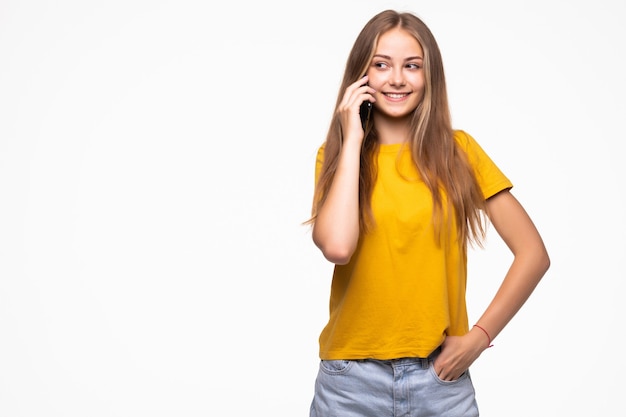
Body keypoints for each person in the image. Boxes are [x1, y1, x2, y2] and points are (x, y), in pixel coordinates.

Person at [306, 9, 550, 417]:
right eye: (381, 64)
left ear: (429, 75)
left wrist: (477, 339)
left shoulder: (458, 152)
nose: (397, 78)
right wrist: (351, 140)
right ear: (360, 76)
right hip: (349, 383)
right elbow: (337, 246)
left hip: (440, 383)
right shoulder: (334, 158)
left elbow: (533, 254)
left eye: (412, 66)